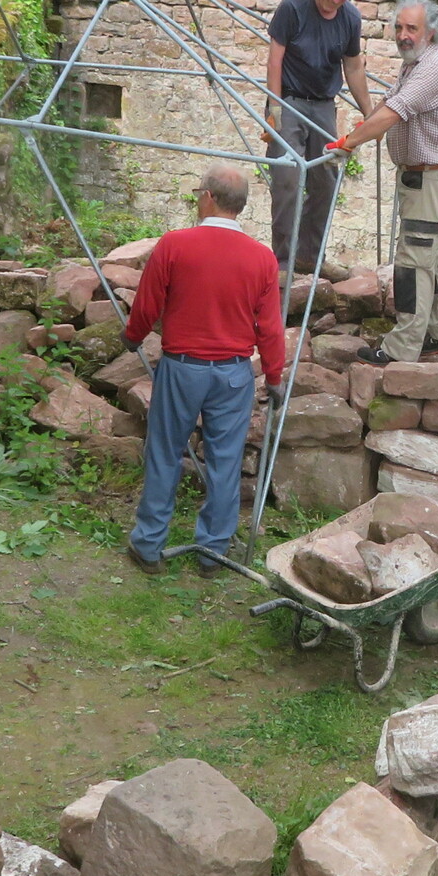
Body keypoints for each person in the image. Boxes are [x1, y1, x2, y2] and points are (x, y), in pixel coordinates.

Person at [122, 165, 287, 576]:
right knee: (225, 462)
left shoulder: (175, 244)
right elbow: (269, 326)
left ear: (209, 197)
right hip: (233, 372)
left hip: (183, 368)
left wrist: (133, 336)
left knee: (164, 454)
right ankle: (212, 551)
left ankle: (149, 544)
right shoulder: (262, 258)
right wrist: (274, 376)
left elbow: (147, 303)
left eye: (199, 192)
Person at [327, 0, 438, 365]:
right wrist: (361, 130)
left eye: (412, 28)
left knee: (413, 263)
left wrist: (349, 142)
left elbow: (394, 112)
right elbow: (387, 102)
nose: (403, 35)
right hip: (431, 178)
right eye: (399, 27)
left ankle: (402, 348)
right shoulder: (415, 63)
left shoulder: (432, 68)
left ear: (430, 32)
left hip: (428, 181)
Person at [262, 0, 365, 281]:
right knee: (288, 178)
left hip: (323, 105)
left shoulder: (350, 17)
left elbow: (353, 66)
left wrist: (371, 113)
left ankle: (309, 257)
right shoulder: (293, 7)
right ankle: (282, 262)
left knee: (325, 181)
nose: (337, 0)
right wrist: (274, 112)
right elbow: (274, 61)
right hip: (289, 100)